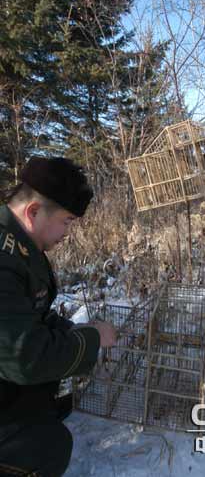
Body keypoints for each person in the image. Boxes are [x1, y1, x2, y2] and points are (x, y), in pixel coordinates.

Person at [0, 157, 117, 476]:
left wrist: (76, 331)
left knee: (51, 403)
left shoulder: (18, 245)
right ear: (34, 211)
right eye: (66, 221)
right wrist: (91, 339)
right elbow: (25, 358)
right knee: (48, 448)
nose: (68, 232)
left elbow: (30, 316)